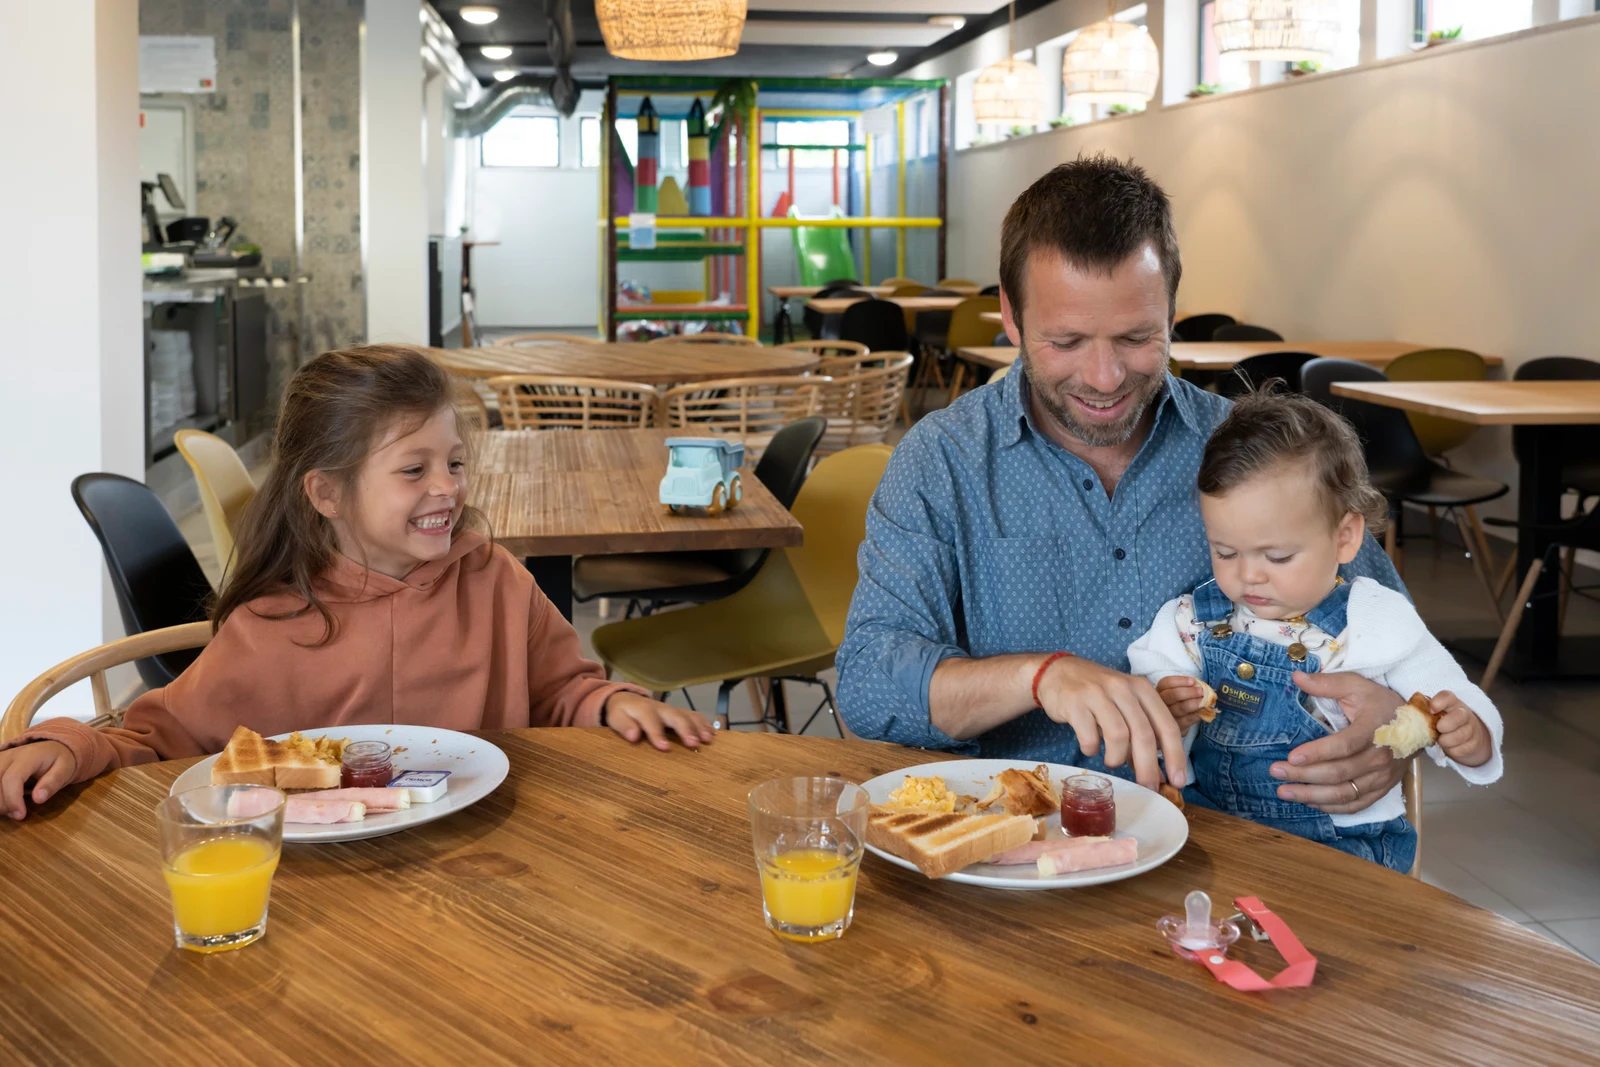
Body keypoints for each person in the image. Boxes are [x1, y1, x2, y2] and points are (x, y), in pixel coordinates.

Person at [837, 155, 1411, 815]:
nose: (1105, 378)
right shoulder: (942, 460)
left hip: (1242, 832)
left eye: (1137, 337)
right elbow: (869, 687)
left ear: (1172, 310)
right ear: (1011, 318)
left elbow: (1396, 640)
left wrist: (1395, 718)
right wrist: (1038, 676)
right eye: (1067, 341)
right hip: (1020, 838)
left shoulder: (1264, 455)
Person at [0, 345, 712, 819]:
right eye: (413, 469)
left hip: (489, 862)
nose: (447, 487)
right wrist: (69, 744)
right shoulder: (274, 620)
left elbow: (562, 690)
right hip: (322, 899)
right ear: (328, 493)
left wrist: (612, 701)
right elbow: (160, 740)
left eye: (455, 463)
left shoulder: (496, 579)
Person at [1127, 389, 1502, 870]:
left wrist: (1472, 735)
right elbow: (1147, 683)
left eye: (1278, 556)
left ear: (1345, 537)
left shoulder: (1373, 618)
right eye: (1225, 551)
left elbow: (1449, 696)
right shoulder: (1192, 619)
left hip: (1342, 844)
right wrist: (1166, 703)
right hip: (1216, 831)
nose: (1249, 575)